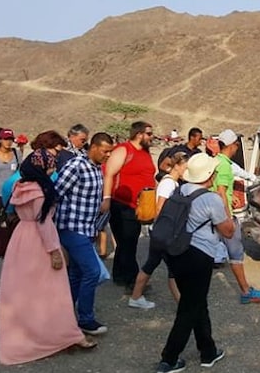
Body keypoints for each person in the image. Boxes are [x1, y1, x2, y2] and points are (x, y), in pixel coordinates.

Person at [0, 146, 97, 364]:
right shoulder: (41, 192)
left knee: (23, 293)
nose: (53, 166)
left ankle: (23, 336)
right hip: (39, 242)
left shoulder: (20, 186)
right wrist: (54, 251)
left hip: (20, 239)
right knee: (53, 292)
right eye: (50, 163)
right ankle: (63, 335)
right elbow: (44, 224)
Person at [156, 153, 234, 373]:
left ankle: (208, 351)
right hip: (200, 256)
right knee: (189, 307)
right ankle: (168, 358)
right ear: (210, 175)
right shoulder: (211, 199)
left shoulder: (181, 191)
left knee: (197, 302)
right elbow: (227, 231)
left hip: (178, 253)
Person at [55, 132, 116, 336]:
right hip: (72, 228)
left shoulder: (96, 167)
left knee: (77, 274)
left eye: (110, 152)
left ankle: (64, 315)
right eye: (106, 151)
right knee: (93, 272)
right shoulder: (76, 166)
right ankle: (86, 319)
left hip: (87, 229)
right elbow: (56, 194)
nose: (108, 155)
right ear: (95, 147)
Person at [128, 151, 187, 309]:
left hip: (160, 231)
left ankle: (136, 296)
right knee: (172, 267)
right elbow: (161, 207)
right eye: (185, 168)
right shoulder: (169, 184)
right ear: (178, 166)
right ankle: (182, 304)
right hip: (163, 232)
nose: (186, 172)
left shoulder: (170, 182)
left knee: (152, 264)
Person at [213, 129, 260, 304]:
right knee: (236, 253)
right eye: (236, 144)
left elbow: (220, 189)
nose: (237, 147)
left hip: (219, 212)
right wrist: (228, 218)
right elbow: (221, 191)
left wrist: (231, 196)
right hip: (224, 215)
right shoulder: (224, 165)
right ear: (232, 145)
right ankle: (245, 291)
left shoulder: (218, 162)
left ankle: (246, 289)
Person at [103, 121, 156, 290]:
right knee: (128, 242)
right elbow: (109, 174)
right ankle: (132, 281)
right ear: (139, 134)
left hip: (140, 205)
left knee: (127, 243)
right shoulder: (124, 150)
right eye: (149, 134)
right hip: (122, 204)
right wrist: (106, 198)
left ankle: (120, 276)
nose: (151, 137)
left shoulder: (145, 152)